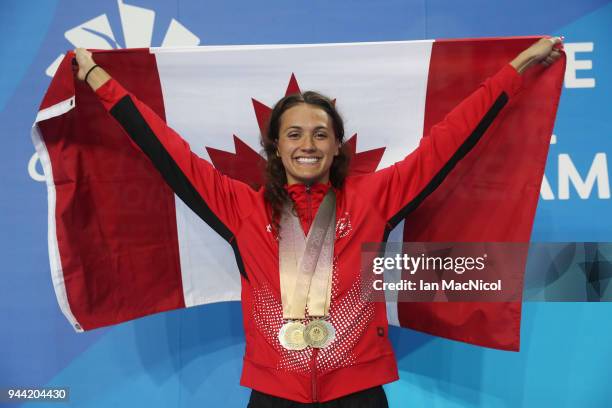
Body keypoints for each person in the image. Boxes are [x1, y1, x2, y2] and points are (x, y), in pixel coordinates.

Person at [74, 37, 563, 407]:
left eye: (320, 134)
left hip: (360, 390)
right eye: (294, 134)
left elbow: (449, 142)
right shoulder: (239, 206)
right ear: (275, 146)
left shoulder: (376, 196)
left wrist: (515, 69)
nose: (307, 144)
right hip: (273, 391)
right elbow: (169, 153)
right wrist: (100, 80)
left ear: (337, 146)